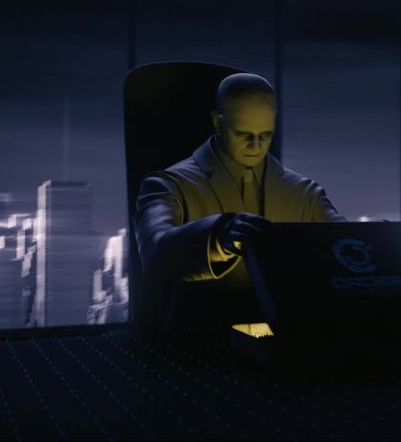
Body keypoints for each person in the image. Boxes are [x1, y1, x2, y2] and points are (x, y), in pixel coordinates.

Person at [133, 72, 345, 331]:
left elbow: (343, 242)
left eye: (265, 135)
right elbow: (154, 253)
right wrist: (216, 237)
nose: (255, 146)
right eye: (243, 134)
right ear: (218, 123)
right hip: (201, 340)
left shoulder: (304, 193)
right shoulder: (170, 185)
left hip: (288, 337)